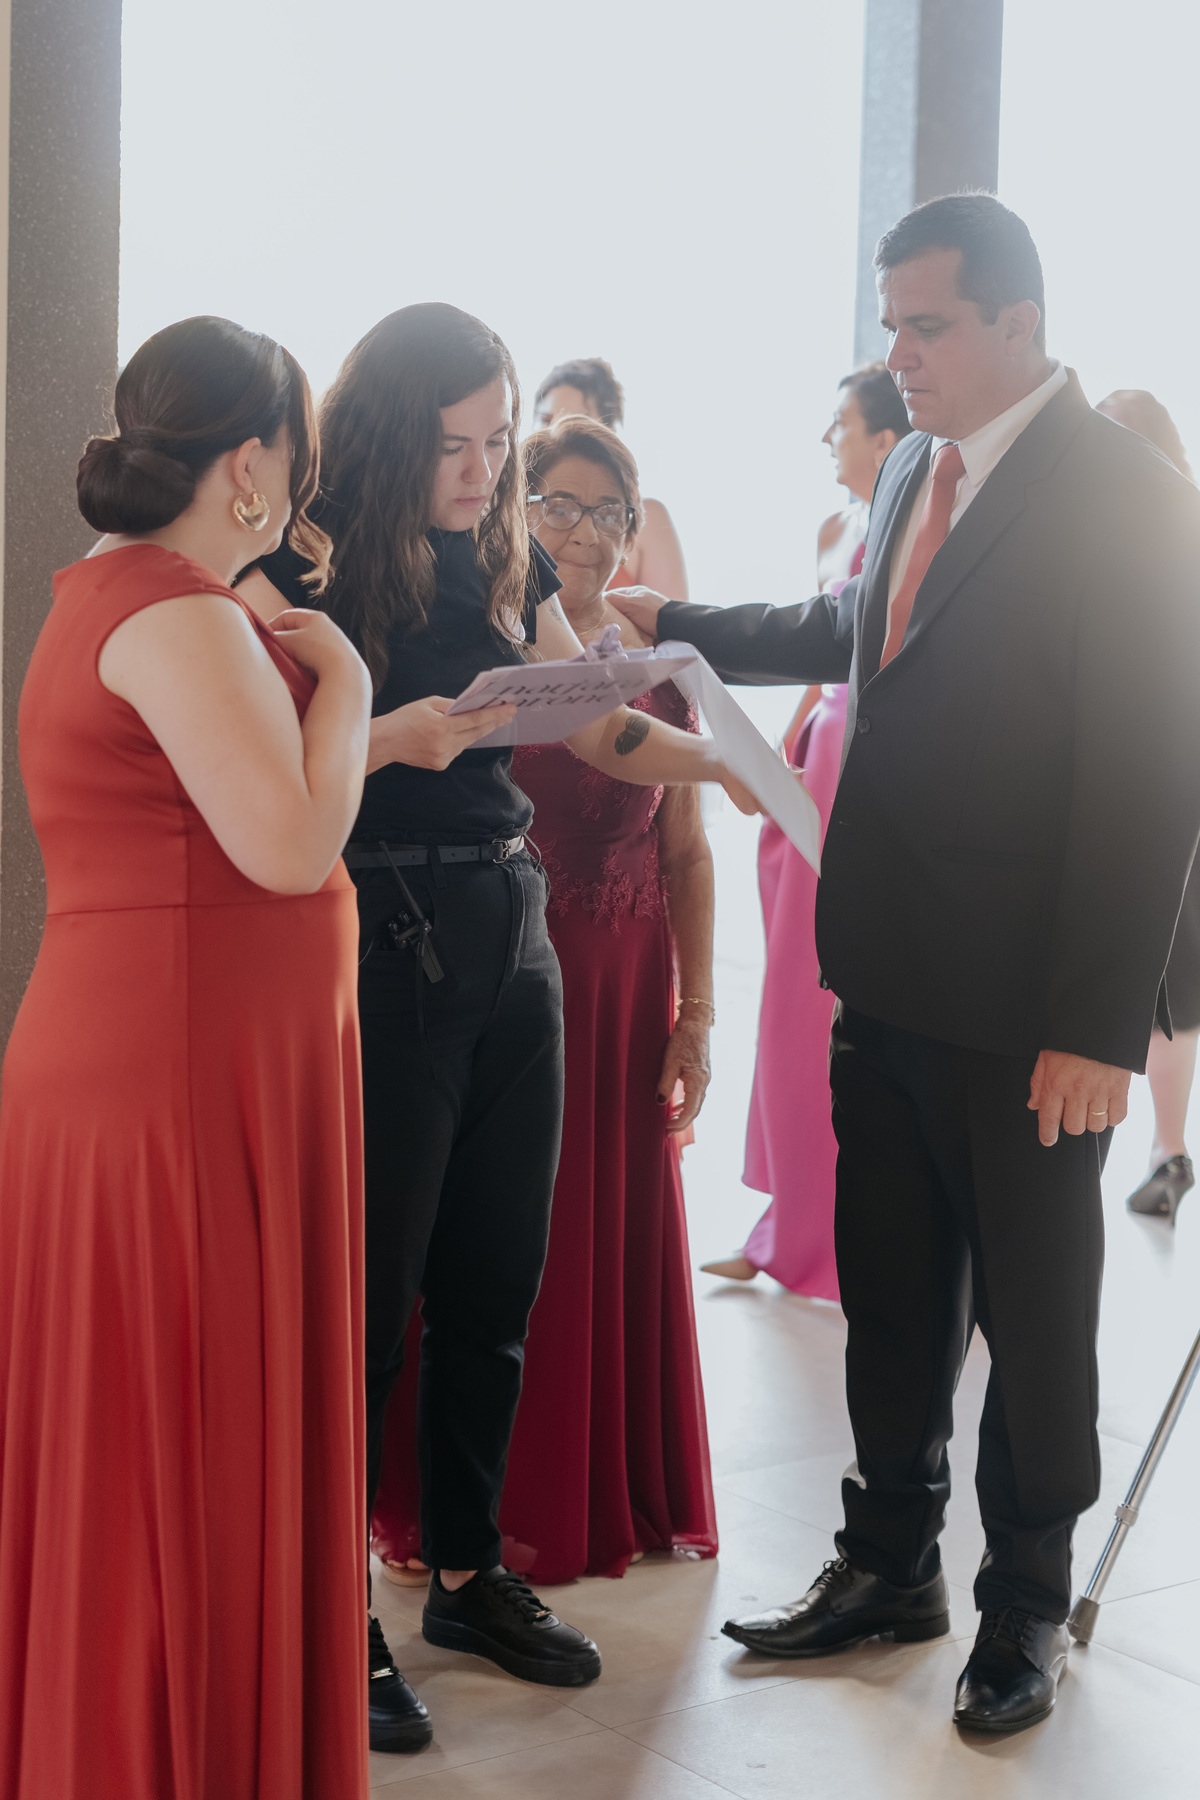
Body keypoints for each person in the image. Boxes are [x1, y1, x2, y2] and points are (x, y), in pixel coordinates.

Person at [610, 194, 1200, 1735]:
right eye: (891, 326)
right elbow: (852, 625)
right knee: (890, 1300)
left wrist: (1096, 1030)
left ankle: (1022, 1607)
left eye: (927, 327)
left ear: (1020, 322)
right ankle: (887, 1568)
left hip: (1030, 1014)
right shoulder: (909, 471)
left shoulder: (1131, 498)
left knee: (1035, 1323)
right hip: (884, 973)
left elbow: (1150, 783)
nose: (900, 357)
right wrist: (674, 622)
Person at [239, 303, 752, 1754]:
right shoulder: (305, 565)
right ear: (389, 434)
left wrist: (724, 762)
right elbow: (267, 768)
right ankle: (332, 1610)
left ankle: (467, 1575)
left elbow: (594, 725)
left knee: (493, 1280)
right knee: (374, 1297)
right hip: (384, 928)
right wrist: (397, 736)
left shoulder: (505, 553)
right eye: (457, 446)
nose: (484, 473)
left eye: (498, 441)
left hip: (513, 922)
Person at [0, 316, 373, 1797]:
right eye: (295, 460)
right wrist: (349, 695)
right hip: (182, 1083)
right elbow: (287, 846)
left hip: (161, 1060)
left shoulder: (123, 595)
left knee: (148, 1439)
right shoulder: (180, 611)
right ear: (250, 463)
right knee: (190, 1442)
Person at [370, 414, 719, 1585]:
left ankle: (562, 1506)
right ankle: (439, 1522)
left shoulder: (643, 660)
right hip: (477, 958)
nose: (582, 531)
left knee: (559, 1250)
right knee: (452, 1255)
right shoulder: (457, 623)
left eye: (607, 511)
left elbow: (679, 841)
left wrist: (695, 1015)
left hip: (611, 981)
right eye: (557, 504)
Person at [703, 363, 911, 1296]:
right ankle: (786, 1217)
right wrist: (775, 751)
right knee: (789, 999)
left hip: (857, 769)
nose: (828, 439)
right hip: (811, 764)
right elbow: (817, 656)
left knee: (826, 996)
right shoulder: (837, 529)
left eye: (842, 424)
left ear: (884, 438)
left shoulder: (914, 532)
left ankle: (838, 1233)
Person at [1095, 389, 1200, 1225]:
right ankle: (1168, 1146)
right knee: (1174, 982)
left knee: (1141, 973)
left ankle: (1146, 1144)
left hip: (1140, 795)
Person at [533, 357, 689, 600]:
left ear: (609, 432)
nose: (558, 432)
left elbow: (671, 619)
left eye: (575, 421)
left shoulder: (650, 520)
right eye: (546, 420)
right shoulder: (508, 510)